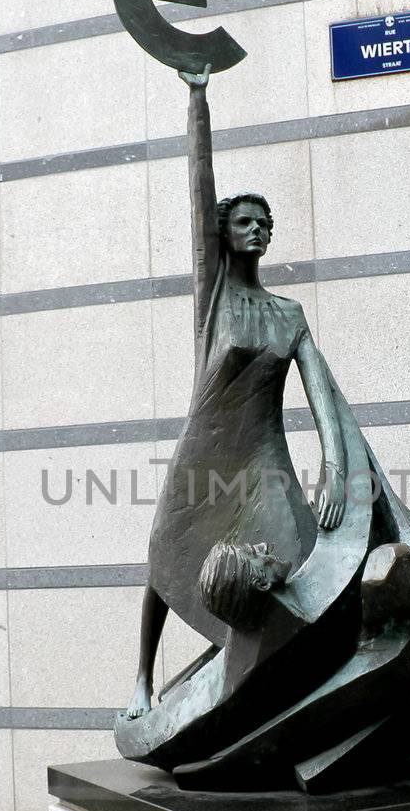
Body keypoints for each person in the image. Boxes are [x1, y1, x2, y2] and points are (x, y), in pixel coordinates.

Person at [124, 65, 347, 719]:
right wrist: (198, 101)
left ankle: (249, 670)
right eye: (244, 221)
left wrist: (333, 467)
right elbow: (200, 193)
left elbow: (322, 394)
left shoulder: (289, 316)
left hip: (262, 460)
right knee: (169, 555)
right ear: (224, 236)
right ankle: (141, 678)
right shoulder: (214, 299)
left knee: (297, 560)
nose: (255, 228)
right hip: (206, 454)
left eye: (263, 222)